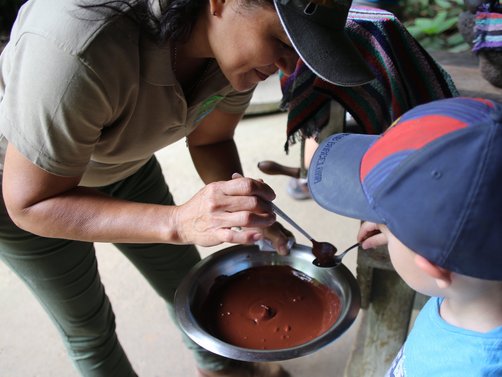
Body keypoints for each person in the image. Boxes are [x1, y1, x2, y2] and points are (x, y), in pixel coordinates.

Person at [0, 0, 374, 376]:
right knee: (87, 326)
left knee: (184, 282)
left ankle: (222, 370)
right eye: (280, 40)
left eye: (300, 52)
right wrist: (177, 221)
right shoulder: (79, 46)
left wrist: (237, 202)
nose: (289, 67)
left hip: (119, 163)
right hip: (22, 185)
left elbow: (210, 141)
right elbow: (30, 203)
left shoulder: (235, 54)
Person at [307, 97, 502, 376]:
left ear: (434, 267)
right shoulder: (476, 286)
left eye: (389, 224)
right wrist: (407, 236)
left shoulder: (471, 368)